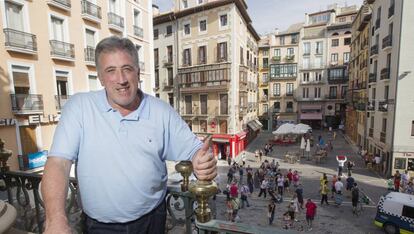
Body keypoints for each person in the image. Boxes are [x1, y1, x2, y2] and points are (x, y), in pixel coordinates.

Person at [41, 37, 217, 234]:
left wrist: (202, 162)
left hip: (152, 221)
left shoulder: (161, 111)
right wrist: (55, 219)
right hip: (99, 228)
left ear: (138, 72)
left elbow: (194, 150)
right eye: (111, 71)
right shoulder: (79, 107)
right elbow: (58, 163)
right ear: (100, 77)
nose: (121, 79)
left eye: (127, 68)